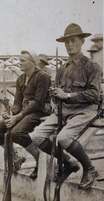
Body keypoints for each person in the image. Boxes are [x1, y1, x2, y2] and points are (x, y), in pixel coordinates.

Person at [30, 23, 102, 189]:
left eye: (73, 40)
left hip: (85, 110)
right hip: (64, 110)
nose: (69, 44)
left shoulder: (92, 67)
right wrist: (55, 95)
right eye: (66, 42)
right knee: (35, 137)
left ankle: (89, 168)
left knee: (63, 138)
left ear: (82, 42)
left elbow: (94, 94)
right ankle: (69, 163)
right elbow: (58, 95)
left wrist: (68, 95)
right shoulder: (62, 69)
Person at [0, 49, 52, 179]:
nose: (20, 63)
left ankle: (39, 160)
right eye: (19, 60)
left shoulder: (43, 76)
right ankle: (17, 156)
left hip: (39, 112)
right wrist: (11, 113)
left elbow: (38, 103)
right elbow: (17, 102)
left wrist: (17, 117)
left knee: (16, 133)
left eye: (23, 61)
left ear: (33, 62)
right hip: (24, 112)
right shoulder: (21, 79)